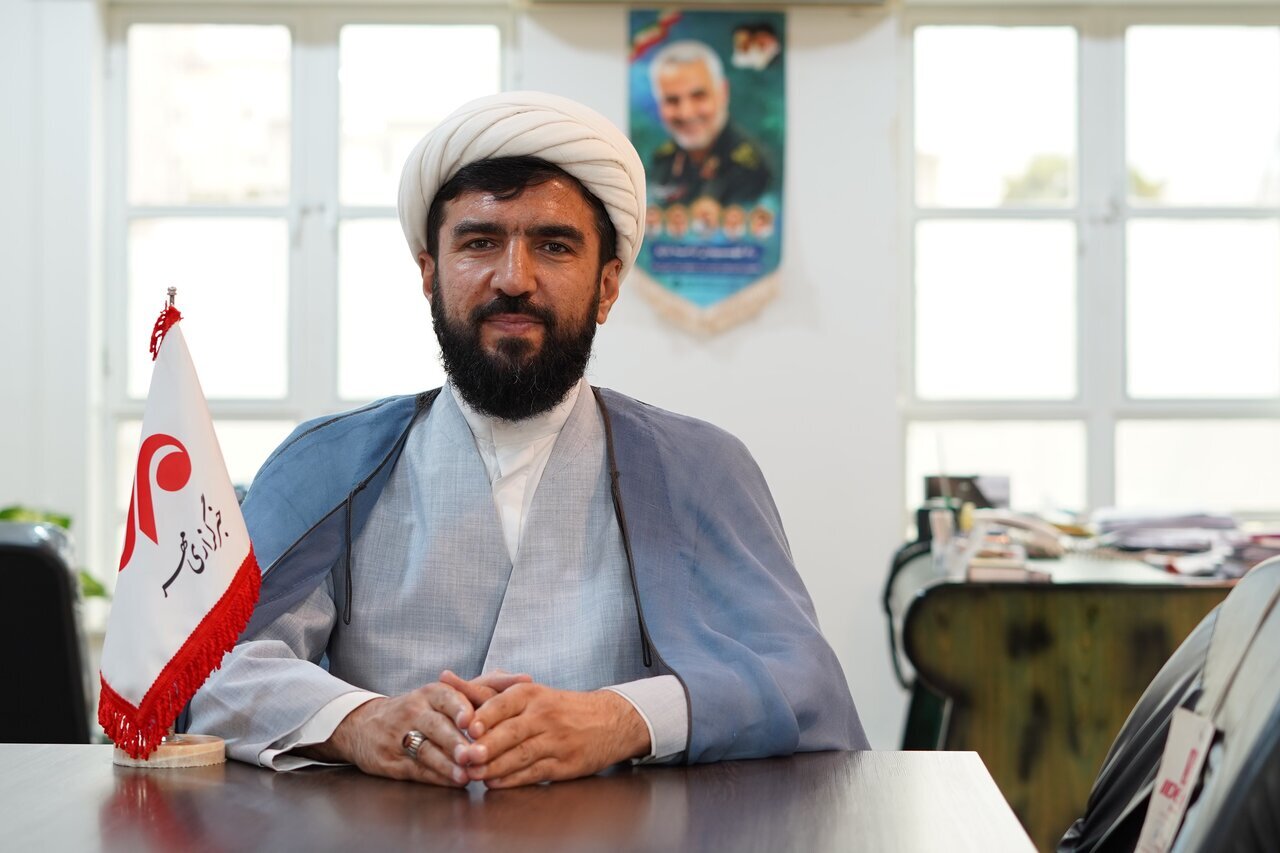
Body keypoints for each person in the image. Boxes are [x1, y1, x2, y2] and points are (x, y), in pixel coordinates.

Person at [188, 91, 866, 789]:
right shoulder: (328, 465)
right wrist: (360, 722)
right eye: (480, 242)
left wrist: (621, 718)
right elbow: (206, 666)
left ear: (608, 286)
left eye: (554, 245)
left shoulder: (700, 468)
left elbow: (800, 679)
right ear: (429, 274)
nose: (514, 278)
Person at [648, 40, 772, 208]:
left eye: (698, 96)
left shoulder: (751, 169)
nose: (686, 113)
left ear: (723, 93)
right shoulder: (661, 161)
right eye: (672, 100)